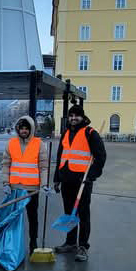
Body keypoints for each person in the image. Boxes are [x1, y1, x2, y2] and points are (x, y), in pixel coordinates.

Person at [53, 104, 106, 262]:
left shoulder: (90, 133)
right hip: (66, 180)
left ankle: (83, 246)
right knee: (69, 213)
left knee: (83, 214)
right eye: (71, 116)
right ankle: (70, 242)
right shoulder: (65, 133)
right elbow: (60, 157)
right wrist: (57, 178)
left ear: (82, 117)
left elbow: (101, 157)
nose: (73, 118)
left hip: (82, 181)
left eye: (76, 115)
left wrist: (91, 175)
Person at [1, 115, 48, 255]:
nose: (24, 131)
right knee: (14, 218)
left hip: (32, 189)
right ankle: (13, 244)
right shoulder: (11, 143)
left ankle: (33, 241)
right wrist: (6, 183)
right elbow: (5, 164)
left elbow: (43, 167)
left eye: (27, 128)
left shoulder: (39, 144)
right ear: (18, 129)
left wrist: (44, 184)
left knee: (33, 217)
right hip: (14, 188)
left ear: (31, 129)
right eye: (21, 128)